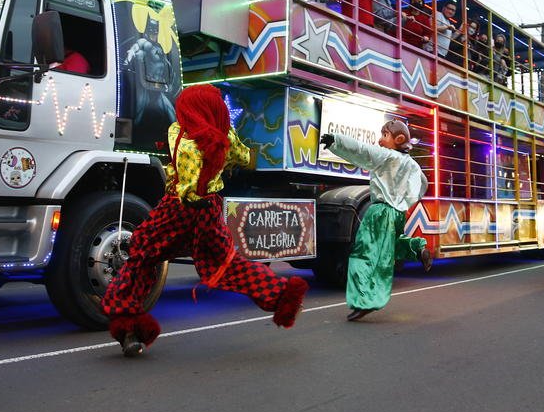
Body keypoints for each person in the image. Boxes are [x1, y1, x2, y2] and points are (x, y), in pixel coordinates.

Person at [102, 84, 309, 357]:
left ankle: (128, 324)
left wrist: (190, 191)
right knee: (226, 264)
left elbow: (187, 180)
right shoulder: (226, 136)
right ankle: (282, 295)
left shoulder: (178, 133)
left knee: (143, 254)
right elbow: (246, 157)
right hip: (208, 208)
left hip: (178, 207)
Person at [319, 120, 431, 321]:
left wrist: (335, 141)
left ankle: (365, 302)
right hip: (397, 213)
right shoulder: (412, 165)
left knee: (364, 256)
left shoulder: (386, 156)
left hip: (379, 212)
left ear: (398, 139)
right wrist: (403, 202)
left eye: (384, 136)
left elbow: (361, 151)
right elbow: (422, 184)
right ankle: (417, 248)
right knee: (390, 247)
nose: (380, 141)